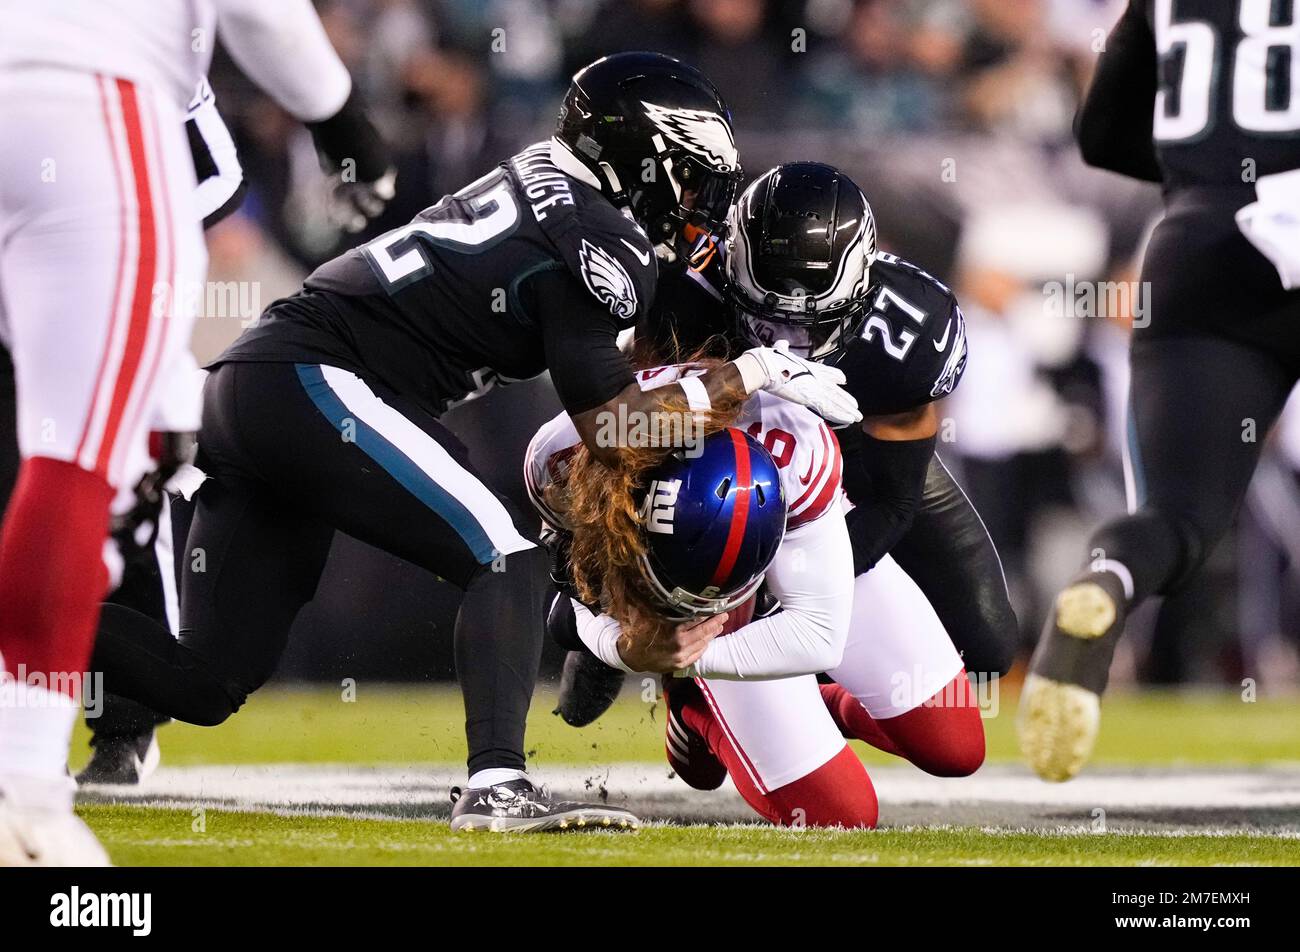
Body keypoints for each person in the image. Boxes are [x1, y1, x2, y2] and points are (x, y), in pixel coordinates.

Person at [84, 53, 862, 834]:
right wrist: (749, 372)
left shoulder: (552, 182)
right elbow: (616, 428)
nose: (693, 202)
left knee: (206, 681)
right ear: (642, 161)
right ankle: (496, 786)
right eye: (689, 177)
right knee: (506, 556)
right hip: (314, 379)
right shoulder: (602, 240)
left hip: (261, 381)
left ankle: (25, 610)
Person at [0, 0, 393, 866]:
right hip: (90, 111)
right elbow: (262, 13)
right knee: (85, 463)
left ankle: (101, 732)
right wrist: (343, 119)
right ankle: (22, 789)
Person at [556, 162, 1015, 729]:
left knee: (990, 651)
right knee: (573, 610)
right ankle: (638, 650)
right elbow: (626, 447)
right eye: (767, 319)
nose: (789, 343)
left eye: (812, 325)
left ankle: (764, 704)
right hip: (717, 459)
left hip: (854, 458)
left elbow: (893, 503)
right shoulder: (683, 295)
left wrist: (781, 595)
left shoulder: (909, 335)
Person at [1019, 0, 1300, 782]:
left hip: (1202, 243)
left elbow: (1101, 133)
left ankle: (1105, 586)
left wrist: (1212, 164)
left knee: (1175, 518)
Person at [532, 359, 982, 828]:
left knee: (955, 747)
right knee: (843, 816)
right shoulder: (566, 457)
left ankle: (712, 693)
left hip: (805, 555)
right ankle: (697, 707)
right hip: (672, 596)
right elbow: (580, 588)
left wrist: (681, 658)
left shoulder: (800, 452)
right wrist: (626, 645)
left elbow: (817, 634)